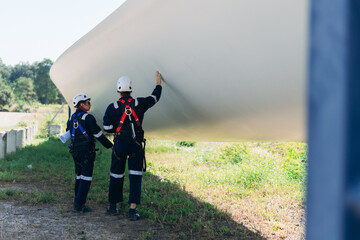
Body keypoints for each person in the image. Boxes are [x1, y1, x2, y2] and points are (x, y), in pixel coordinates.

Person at [103, 70, 162, 220]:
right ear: (131, 89)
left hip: (119, 146)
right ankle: (132, 210)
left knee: (116, 174)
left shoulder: (112, 107)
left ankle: (113, 206)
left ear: (118, 90)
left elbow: (107, 128)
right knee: (135, 176)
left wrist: (118, 128)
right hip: (135, 145)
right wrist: (158, 84)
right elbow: (154, 98)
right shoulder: (139, 103)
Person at [67, 93, 113, 213]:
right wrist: (110, 146)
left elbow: (68, 132)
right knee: (86, 178)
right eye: (87, 102)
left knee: (79, 176)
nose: (90, 104)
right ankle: (79, 205)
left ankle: (77, 201)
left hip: (75, 152)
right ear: (81, 104)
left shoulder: (72, 118)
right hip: (86, 153)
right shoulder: (88, 118)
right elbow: (98, 135)